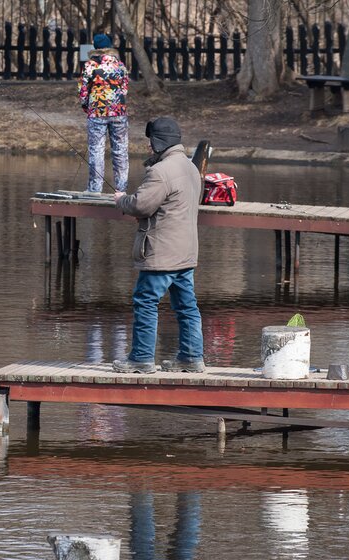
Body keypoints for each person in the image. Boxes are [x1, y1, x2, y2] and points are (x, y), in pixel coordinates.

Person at [112, 117, 205, 374]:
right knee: (187, 306)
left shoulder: (161, 171)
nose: (148, 147)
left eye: (150, 141)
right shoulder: (190, 168)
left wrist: (121, 200)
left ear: (158, 142)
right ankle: (191, 357)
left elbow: (141, 205)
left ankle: (141, 359)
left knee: (145, 302)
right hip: (185, 252)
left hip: (162, 253)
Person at [78, 33, 129, 194]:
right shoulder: (120, 65)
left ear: (95, 48)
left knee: (96, 151)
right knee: (120, 151)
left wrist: (86, 106)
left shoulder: (90, 66)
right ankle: (121, 189)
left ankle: (95, 189)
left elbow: (83, 91)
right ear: (109, 47)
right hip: (119, 112)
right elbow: (124, 89)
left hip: (97, 113)